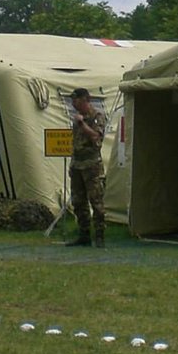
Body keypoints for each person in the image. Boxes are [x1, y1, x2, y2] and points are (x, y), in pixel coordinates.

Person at [67, 87, 106, 248]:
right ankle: (83, 234)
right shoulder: (77, 118)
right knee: (78, 201)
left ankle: (100, 236)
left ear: (85, 100)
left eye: (76, 100)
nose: (74, 104)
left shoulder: (96, 116)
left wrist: (82, 124)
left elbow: (97, 136)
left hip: (91, 166)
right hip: (77, 164)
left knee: (96, 201)